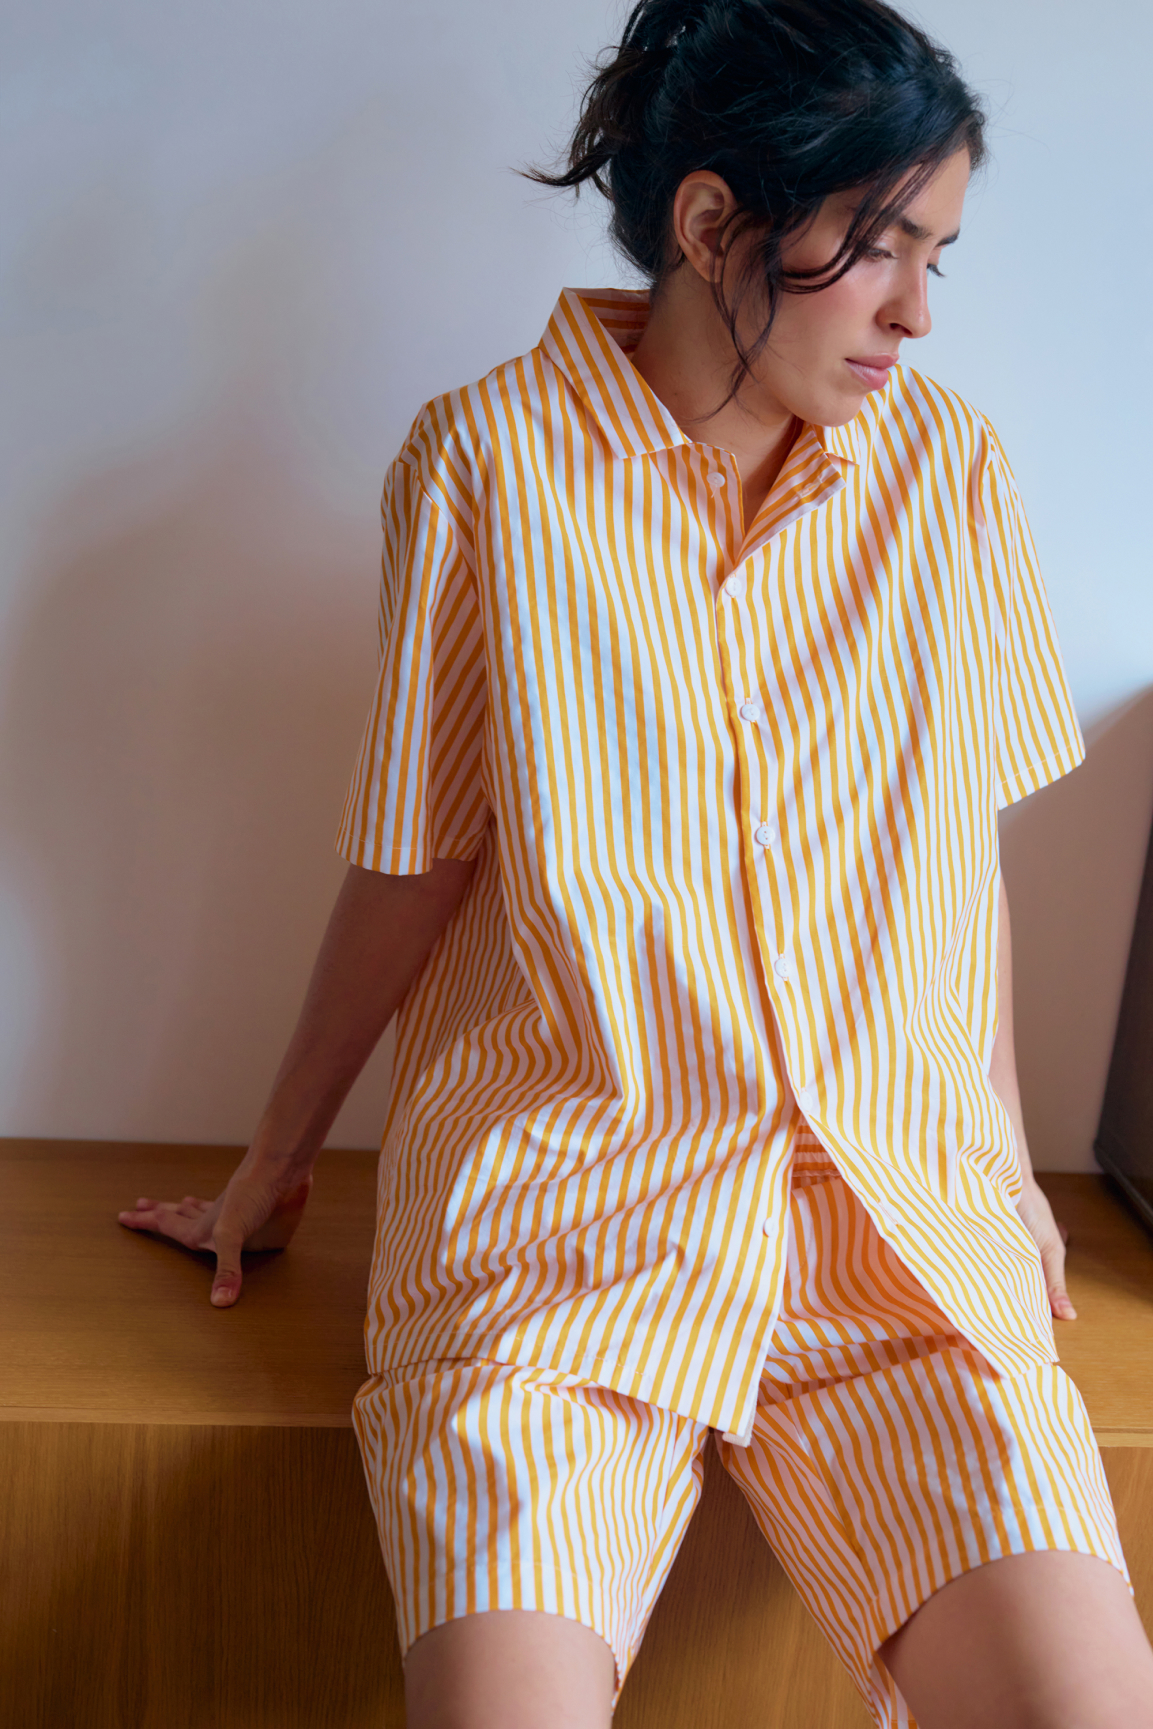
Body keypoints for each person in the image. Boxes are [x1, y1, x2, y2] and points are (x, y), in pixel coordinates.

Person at [118, 1, 1153, 1724]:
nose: (914, 309)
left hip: (889, 1240)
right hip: (564, 1237)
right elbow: (413, 861)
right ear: (710, 221)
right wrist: (270, 1165)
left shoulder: (947, 471)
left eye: (938, 257)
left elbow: (944, 852)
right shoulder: (484, 466)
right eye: (876, 246)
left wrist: (1001, 1159)